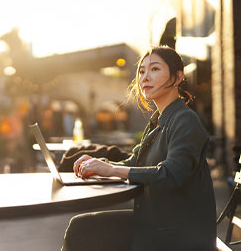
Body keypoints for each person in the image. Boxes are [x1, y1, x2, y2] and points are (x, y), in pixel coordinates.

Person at [62, 46, 216, 251]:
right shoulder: (157, 121)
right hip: (156, 221)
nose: (144, 77)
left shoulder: (185, 120)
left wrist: (112, 170)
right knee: (81, 227)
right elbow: (135, 162)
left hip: (180, 232)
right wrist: (99, 165)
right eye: (142, 71)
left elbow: (172, 174)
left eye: (154, 69)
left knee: (82, 231)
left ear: (178, 78)